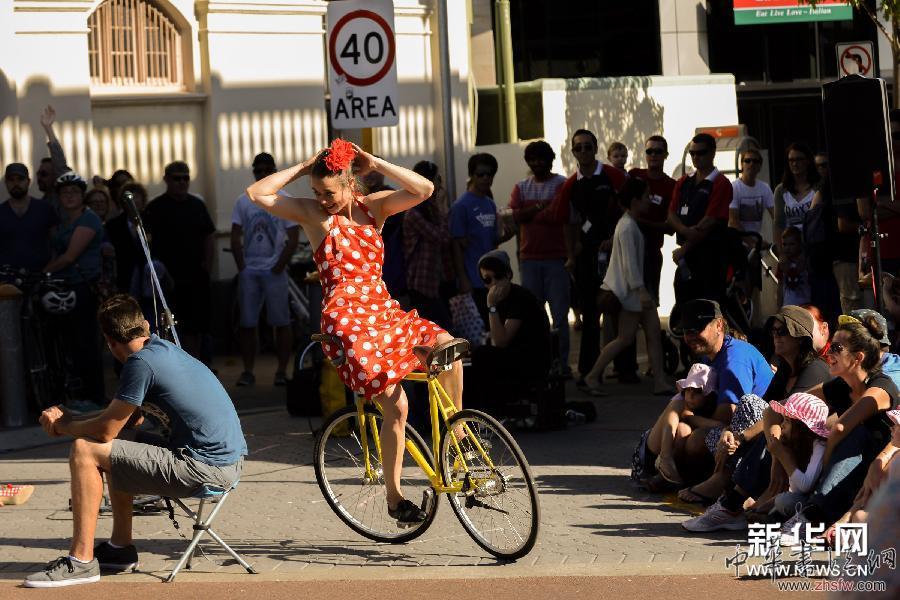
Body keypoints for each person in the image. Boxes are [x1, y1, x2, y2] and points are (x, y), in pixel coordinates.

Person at [247, 138, 462, 524]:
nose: (322, 199)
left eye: (328, 192)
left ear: (350, 184)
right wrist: (304, 165)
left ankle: (455, 435)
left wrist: (375, 162)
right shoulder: (315, 217)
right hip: (346, 320)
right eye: (316, 192)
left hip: (384, 311)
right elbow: (257, 192)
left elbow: (424, 190)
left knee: (447, 346)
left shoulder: (373, 207)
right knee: (397, 406)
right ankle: (396, 499)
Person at [24, 295, 247, 587]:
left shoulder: (140, 364)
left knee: (84, 449)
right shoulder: (161, 350)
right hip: (225, 463)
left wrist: (64, 426)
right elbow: (125, 420)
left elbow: (104, 432)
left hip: (205, 468)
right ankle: (120, 548)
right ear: (145, 325)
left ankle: (80, 561)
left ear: (108, 341)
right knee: (121, 442)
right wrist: (70, 415)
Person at [778, 314, 899, 545]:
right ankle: (738, 499)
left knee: (856, 433)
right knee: (784, 502)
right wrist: (773, 422)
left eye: (836, 348)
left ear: (857, 358)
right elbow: (792, 402)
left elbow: (842, 428)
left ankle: (813, 514)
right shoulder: (841, 386)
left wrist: (823, 470)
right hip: (846, 476)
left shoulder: (882, 387)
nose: (828, 353)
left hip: (877, 473)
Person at [682, 392, 830, 533]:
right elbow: (796, 486)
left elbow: (804, 486)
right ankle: (736, 505)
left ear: (802, 428)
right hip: (796, 496)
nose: (782, 425)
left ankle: (773, 518)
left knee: (785, 502)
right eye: (783, 420)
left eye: (787, 421)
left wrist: (783, 455)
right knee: (781, 501)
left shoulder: (819, 446)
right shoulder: (796, 445)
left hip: (812, 503)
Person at [672, 299, 773, 500]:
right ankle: (669, 473)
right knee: (679, 420)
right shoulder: (708, 355)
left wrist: (691, 418)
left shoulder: (733, 358)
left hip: (758, 434)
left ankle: (722, 483)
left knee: (695, 439)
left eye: (696, 330)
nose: (690, 336)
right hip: (735, 430)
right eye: (686, 331)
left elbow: (729, 414)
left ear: (719, 325)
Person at [581, 177, 671, 395]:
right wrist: (641, 291)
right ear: (635, 200)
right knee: (626, 338)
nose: (649, 200)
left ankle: (659, 381)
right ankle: (592, 376)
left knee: (648, 335)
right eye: (646, 196)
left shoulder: (626, 224)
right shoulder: (628, 227)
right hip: (632, 294)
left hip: (633, 293)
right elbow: (629, 265)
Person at [557, 129, 629, 386]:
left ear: (596, 147)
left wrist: (615, 238)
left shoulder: (613, 176)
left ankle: (625, 370)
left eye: (588, 146)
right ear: (573, 151)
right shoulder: (571, 184)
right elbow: (567, 221)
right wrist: (571, 253)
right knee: (589, 314)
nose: (584, 151)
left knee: (620, 310)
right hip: (587, 257)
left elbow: (629, 208)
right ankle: (588, 371)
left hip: (616, 254)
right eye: (579, 148)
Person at [230, 152, 300, 387]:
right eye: (258, 170)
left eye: (266, 170)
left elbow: (293, 236)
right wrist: (243, 268)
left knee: (281, 321)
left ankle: (281, 371)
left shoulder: (284, 198)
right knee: (247, 323)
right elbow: (235, 235)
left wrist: (279, 265)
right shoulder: (244, 200)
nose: (262, 174)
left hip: (274, 270)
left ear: (274, 171)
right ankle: (248, 371)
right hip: (251, 270)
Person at [43, 171, 106, 406]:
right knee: (69, 343)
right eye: (65, 192)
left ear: (82, 196)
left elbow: (69, 257)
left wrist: (43, 273)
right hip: (64, 288)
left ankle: (95, 396)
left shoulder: (88, 220)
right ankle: (79, 394)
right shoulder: (64, 221)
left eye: (74, 192)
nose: (69, 196)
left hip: (82, 287)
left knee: (86, 342)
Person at [142, 161, 215, 362]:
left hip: (195, 276)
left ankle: (197, 367)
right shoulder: (155, 208)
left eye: (185, 177)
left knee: (196, 327)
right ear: (166, 179)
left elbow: (209, 236)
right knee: (166, 327)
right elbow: (146, 243)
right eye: (177, 178)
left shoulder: (197, 205)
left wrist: (207, 266)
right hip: (167, 278)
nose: (182, 182)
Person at [509, 140, 571, 375]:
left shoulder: (561, 184)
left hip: (556, 258)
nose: (536, 163)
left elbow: (558, 214)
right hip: (530, 259)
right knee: (534, 317)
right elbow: (514, 216)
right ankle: (539, 364)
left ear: (550, 160)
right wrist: (540, 208)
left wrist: (529, 212)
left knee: (560, 316)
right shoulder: (521, 186)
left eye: (540, 159)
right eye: (532, 159)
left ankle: (562, 365)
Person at [465, 250, 551, 416]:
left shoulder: (519, 298)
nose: (494, 284)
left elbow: (501, 341)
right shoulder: (493, 299)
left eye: (498, 277)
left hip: (532, 360)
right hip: (516, 355)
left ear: (508, 275)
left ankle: (492, 411)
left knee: (482, 356)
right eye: (488, 280)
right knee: (468, 363)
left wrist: (491, 307)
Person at [668, 133, 733, 306]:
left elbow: (710, 220)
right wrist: (684, 231)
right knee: (685, 304)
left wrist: (685, 247)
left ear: (712, 153)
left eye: (701, 153)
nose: (696, 157)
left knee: (708, 309)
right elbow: (671, 213)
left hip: (710, 257)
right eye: (692, 153)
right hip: (686, 257)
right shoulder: (683, 182)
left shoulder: (721, 183)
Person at [449, 153, 504, 325]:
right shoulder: (461, 206)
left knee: (495, 326)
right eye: (480, 174)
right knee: (481, 330)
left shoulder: (490, 203)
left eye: (490, 174)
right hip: (473, 280)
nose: (485, 178)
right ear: (472, 175)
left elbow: (493, 241)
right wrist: (463, 279)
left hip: (493, 279)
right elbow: (456, 245)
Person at [643, 363, 718, 487]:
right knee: (682, 426)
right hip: (652, 452)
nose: (690, 396)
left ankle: (673, 476)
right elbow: (683, 418)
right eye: (688, 390)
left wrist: (694, 419)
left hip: (683, 460)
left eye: (697, 392)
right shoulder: (680, 401)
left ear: (709, 395)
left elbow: (716, 425)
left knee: (685, 429)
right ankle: (665, 460)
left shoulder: (713, 407)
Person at [628, 135, 676, 317]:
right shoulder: (634, 176)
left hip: (651, 253)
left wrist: (641, 222)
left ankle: (654, 342)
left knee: (649, 305)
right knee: (624, 305)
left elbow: (670, 227)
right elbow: (620, 206)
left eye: (658, 151)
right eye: (649, 151)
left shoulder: (671, 185)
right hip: (628, 250)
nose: (653, 155)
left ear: (666, 154)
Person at [403, 161, 452, 330]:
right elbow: (441, 237)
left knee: (438, 329)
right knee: (436, 329)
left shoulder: (431, 208)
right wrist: (443, 206)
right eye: (437, 179)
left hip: (436, 280)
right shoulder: (414, 212)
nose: (440, 184)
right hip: (421, 282)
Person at [0, 163, 59, 273]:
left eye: (20, 179)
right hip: (6, 281)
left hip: (39, 278)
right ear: (6, 183)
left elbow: (56, 244)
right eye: (11, 180)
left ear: (28, 181)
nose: (15, 183)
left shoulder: (44, 209)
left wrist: (49, 270)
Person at [105, 182, 149, 294]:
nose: (133, 200)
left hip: (149, 279)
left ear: (143, 199)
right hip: (124, 277)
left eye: (137, 197)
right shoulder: (113, 225)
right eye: (129, 197)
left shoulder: (153, 221)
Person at [773, 142, 819, 247]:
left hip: (814, 245)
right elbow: (778, 224)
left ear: (808, 161)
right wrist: (781, 253)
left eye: (799, 159)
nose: (795, 164)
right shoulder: (781, 190)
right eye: (791, 160)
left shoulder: (818, 187)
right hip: (790, 248)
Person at [728, 147, 774, 237]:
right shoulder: (734, 188)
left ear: (760, 167)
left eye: (755, 161)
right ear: (742, 165)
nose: (751, 164)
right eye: (747, 161)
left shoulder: (765, 188)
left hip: (756, 239)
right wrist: (751, 242)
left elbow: (776, 216)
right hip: (736, 240)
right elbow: (733, 221)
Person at [35, 105, 72, 215]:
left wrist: (48, 129)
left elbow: (59, 164)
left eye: (44, 174)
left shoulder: (63, 199)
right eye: (38, 174)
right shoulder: (41, 204)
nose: (39, 178)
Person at [777, 226, 811, 307]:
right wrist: (779, 306)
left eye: (791, 244)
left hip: (806, 305)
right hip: (788, 305)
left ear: (799, 244)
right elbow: (780, 287)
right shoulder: (782, 264)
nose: (787, 248)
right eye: (784, 244)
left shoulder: (806, 263)